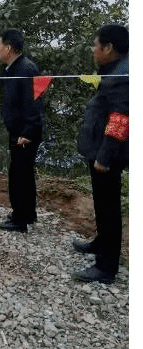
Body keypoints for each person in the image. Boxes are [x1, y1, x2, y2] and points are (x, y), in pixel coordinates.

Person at [73, 23, 128, 284]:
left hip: (107, 154)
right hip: (97, 147)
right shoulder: (114, 69)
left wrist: (105, 157)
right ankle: (101, 242)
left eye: (96, 45)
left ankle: (106, 267)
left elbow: (120, 120)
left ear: (109, 48)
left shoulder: (122, 76)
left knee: (108, 207)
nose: (93, 50)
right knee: (101, 202)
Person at [0, 28, 44, 234]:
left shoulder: (25, 69)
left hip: (25, 133)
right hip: (19, 130)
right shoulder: (13, 69)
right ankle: (27, 213)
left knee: (19, 175)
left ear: (8, 48)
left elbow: (34, 104)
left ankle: (20, 219)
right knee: (22, 173)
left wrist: (27, 132)